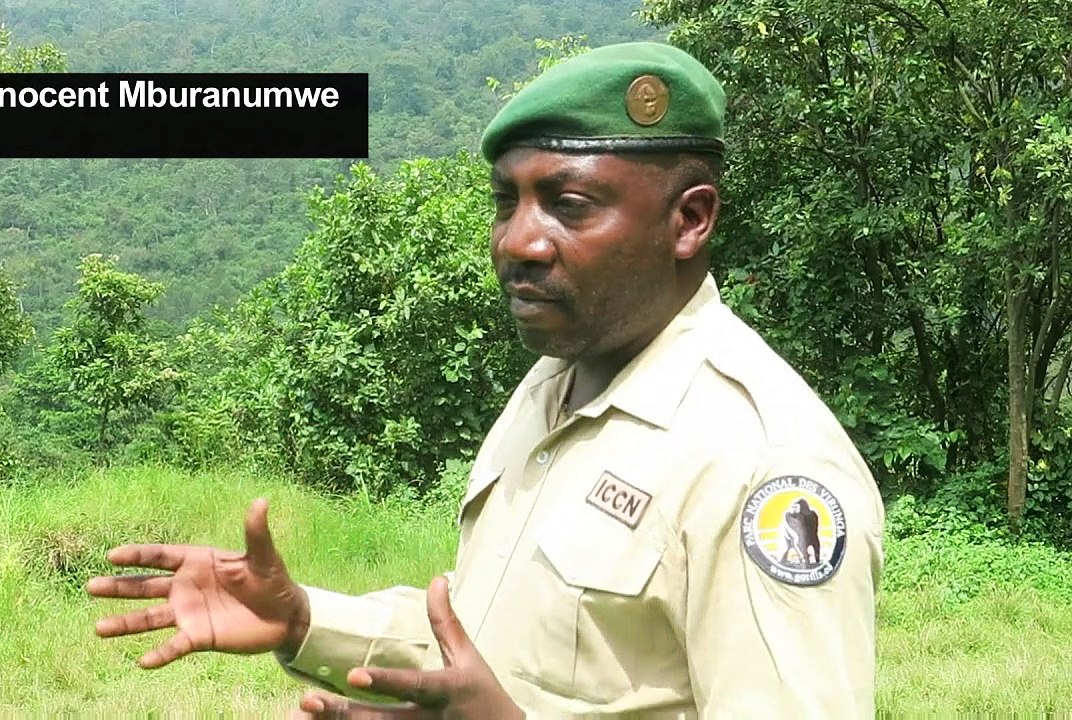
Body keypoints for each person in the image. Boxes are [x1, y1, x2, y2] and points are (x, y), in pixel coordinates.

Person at [86, 41, 885, 718]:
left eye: (570, 204)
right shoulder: (552, 384)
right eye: (508, 202)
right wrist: (302, 619)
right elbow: (485, 646)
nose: (517, 242)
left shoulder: (762, 466)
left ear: (690, 220)